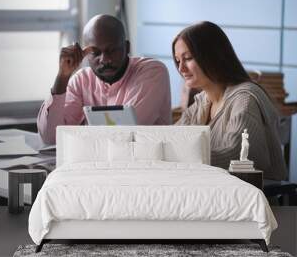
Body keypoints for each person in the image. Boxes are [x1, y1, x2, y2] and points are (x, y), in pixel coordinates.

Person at [172, 21, 287, 181]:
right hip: (214, 192)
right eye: (178, 61)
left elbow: (236, 155)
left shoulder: (245, 99)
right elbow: (172, 138)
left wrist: (176, 153)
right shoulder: (202, 101)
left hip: (249, 201)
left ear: (212, 56)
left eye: (188, 58)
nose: (181, 69)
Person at [37, 14, 172, 144]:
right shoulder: (81, 80)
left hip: (145, 162)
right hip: (97, 162)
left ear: (127, 47)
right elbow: (51, 137)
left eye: (112, 50)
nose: (105, 59)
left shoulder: (152, 71)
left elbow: (126, 134)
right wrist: (62, 77)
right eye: (95, 53)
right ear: (85, 54)